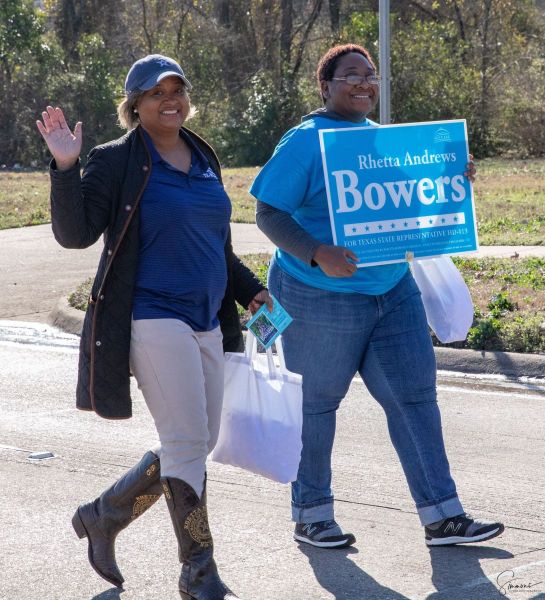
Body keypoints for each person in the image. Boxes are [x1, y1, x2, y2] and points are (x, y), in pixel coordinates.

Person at [250, 43, 504, 550]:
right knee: (316, 407)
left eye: (371, 75)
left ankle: (443, 517)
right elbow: (268, 213)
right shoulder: (306, 141)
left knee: (415, 400)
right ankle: (312, 514)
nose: (364, 83)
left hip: (392, 293)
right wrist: (317, 251)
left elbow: (413, 200)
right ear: (325, 87)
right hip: (318, 298)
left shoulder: (381, 141)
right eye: (351, 76)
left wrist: (453, 174)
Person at [37, 53, 270, 600]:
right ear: (135, 106)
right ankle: (199, 572)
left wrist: (251, 289)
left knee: (197, 441)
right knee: (188, 441)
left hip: (208, 319)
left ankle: (105, 515)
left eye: (177, 90)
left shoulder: (203, 156)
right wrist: (67, 168)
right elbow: (75, 234)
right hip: (151, 315)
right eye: (156, 93)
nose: (171, 101)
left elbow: (217, 246)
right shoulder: (117, 160)